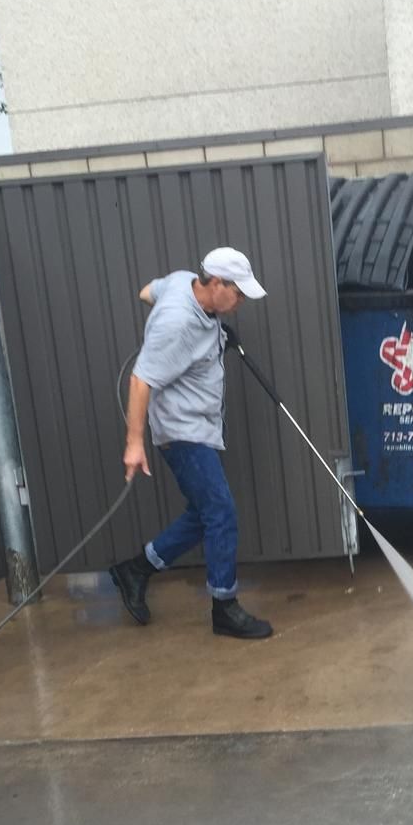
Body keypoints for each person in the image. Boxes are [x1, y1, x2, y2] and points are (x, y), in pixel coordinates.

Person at [109, 247, 273, 640]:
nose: (241, 302)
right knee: (220, 512)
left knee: (204, 515)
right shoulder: (177, 323)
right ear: (215, 283)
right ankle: (224, 607)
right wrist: (135, 443)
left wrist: (216, 331)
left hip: (199, 425)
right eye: (238, 294)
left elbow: (147, 291)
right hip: (182, 432)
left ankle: (136, 569)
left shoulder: (184, 282)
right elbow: (140, 380)